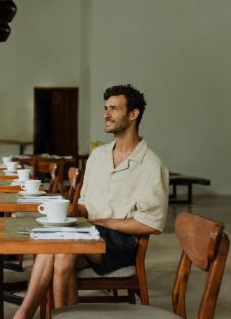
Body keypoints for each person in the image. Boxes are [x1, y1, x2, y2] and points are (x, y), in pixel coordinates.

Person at [14, 84, 169, 319]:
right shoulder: (99, 156)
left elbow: (151, 224)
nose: (106, 114)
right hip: (90, 233)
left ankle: (25, 314)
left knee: (59, 248)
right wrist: (65, 214)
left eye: (114, 109)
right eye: (105, 108)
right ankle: (47, 315)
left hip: (122, 242)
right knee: (59, 251)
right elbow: (85, 204)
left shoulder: (151, 165)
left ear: (133, 114)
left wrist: (99, 222)